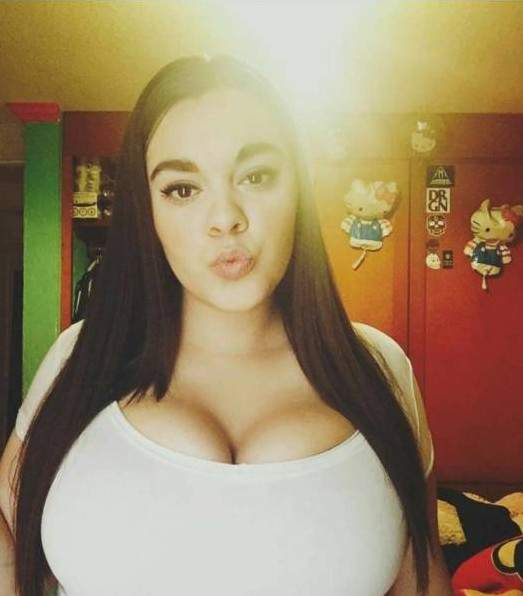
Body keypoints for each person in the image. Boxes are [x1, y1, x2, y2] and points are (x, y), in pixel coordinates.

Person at [0, 55, 453, 595]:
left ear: (299, 190)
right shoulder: (81, 356)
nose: (225, 219)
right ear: (148, 211)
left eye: (257, 176)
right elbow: (12, 545)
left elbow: (422, 578)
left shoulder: (380, 369)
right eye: (182, 189)